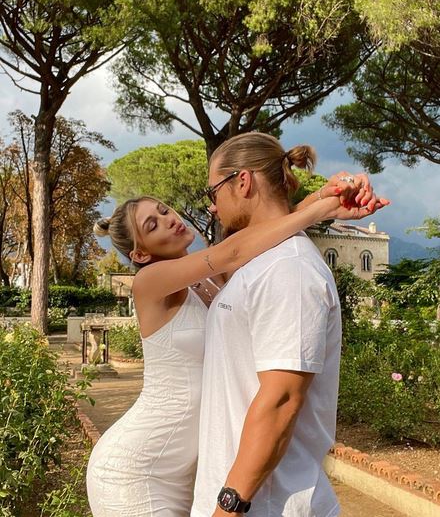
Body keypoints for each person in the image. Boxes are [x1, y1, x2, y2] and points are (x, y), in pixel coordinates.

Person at [86, 139, 388, 517]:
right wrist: (322, 208)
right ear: (140, 254)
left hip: (188, 473)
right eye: (153, 224)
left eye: (163, 209)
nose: (170, 218)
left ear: (243, 182)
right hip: (136, 468)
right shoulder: (151, 283)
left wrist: (321, 199)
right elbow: (234, 249)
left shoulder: (214, 276)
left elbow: (259, 238)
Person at [190, 133, 389, 517]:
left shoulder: (289, 268)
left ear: (242, 181)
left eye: (213, 191)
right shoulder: (263, 259)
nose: (212, 206)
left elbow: (281, 400)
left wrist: (228, 507)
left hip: (265, 505)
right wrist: (319, 202)